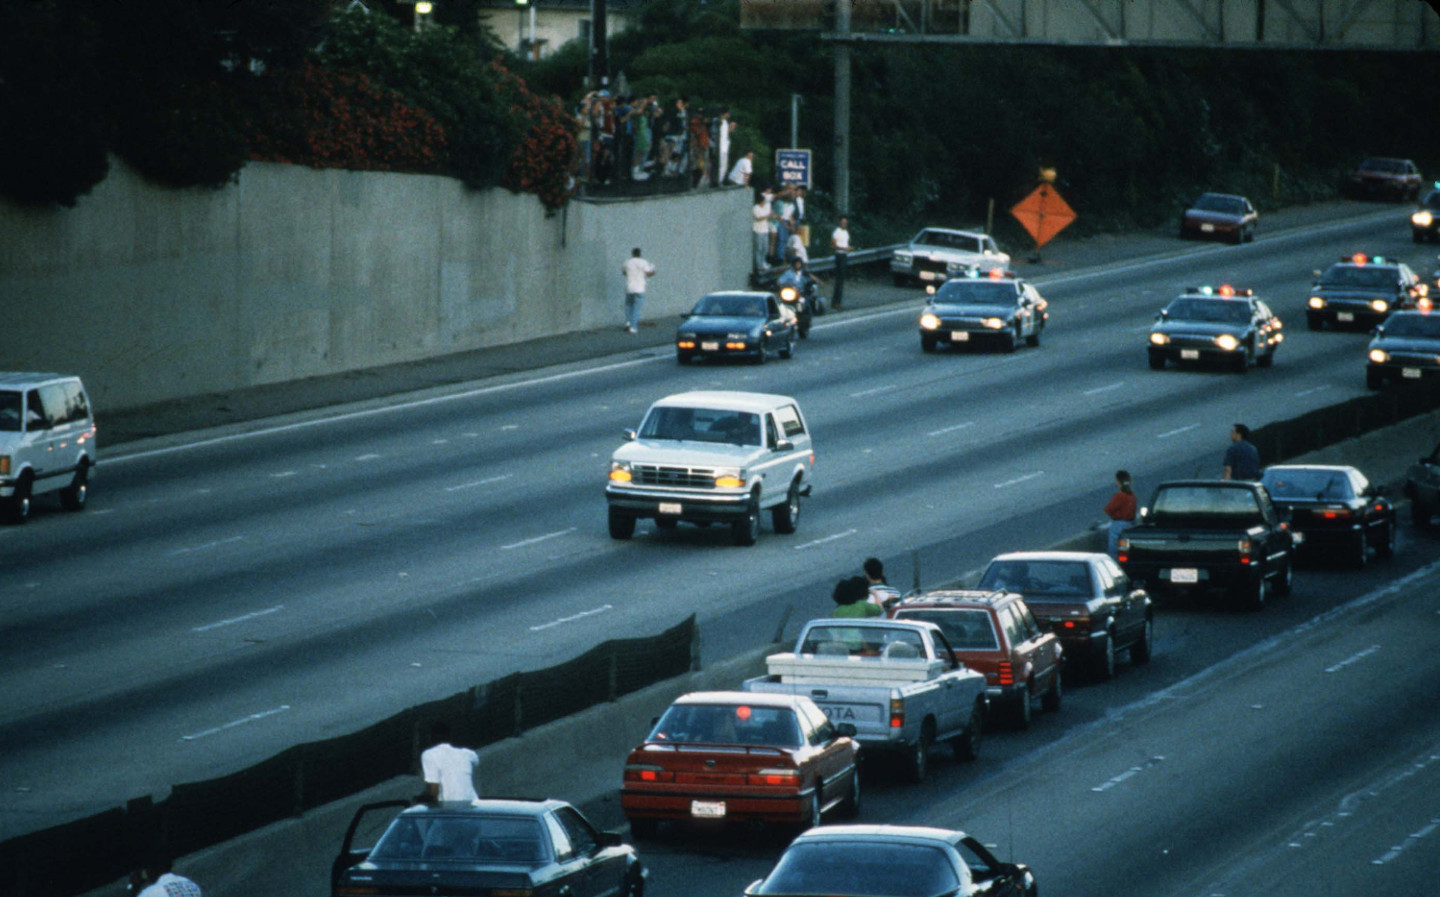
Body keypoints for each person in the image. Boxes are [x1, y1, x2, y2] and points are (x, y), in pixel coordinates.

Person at [416, 721, 479, 803]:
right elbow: (475, 760)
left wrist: (418, 799)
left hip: (450, 809)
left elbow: (433, 793)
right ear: (449, 737)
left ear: (430, 738)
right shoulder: (467, 754)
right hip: (473, 806)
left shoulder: (429, 755)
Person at [1103, 470, 1138, 559]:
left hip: (1118, 525)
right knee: (1123, 550)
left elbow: (1108, 509)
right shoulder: (1132, 495)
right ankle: (1123, 564)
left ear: (1119, 482)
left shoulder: (1119, 495)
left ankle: (1114, 567)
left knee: (1113, 549)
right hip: (1129, 525)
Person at [621, 247, 656, 334]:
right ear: (640, 254)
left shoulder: (627, 262)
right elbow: (648, 274)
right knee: (636, 308)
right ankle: (633, 327)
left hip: (629, 287)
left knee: (628, 305)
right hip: (640, 288)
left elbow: (624, 273)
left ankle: (628, 322)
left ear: (632, 254)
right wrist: (653, 271)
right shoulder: (643, 262)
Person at [130, 857, 202, 896]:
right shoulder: (191, 885)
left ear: (149, 872)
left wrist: (135, 888)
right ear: (172, 867)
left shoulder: (151, 892)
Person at [830, 215, 852, 309]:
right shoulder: (836, 232)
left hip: (844, 255)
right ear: (839, 223)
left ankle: (838, 301)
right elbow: (833, 245)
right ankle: (835, 302)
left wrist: (848, 248)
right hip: (839, 255)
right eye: (843, 222)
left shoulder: (846, 232)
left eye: (845, 222)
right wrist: (845, 248)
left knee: (841, 280)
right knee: (839, 280)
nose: (844, 224)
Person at [750, 187, 772, 273]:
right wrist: (767, 216)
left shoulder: (764, 208)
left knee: (765, 248)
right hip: (758, 231)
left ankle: (763, 263)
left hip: (765, 230)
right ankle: (758, 265)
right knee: (758, 248)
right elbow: (758, 218)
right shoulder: (755, 208)